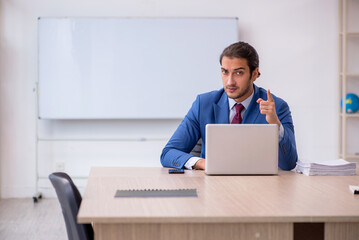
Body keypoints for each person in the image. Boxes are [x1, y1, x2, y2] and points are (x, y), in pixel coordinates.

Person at [160, 41, 297, 171]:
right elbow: (168, 153)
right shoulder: (204, 104)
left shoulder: (276, 107)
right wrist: (203, 163)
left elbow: (289, 163)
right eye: (225, 72)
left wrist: (275, 125)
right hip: (213, 187)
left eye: (238, 73)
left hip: (258, 188)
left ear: (254, 74)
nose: (230, 81)